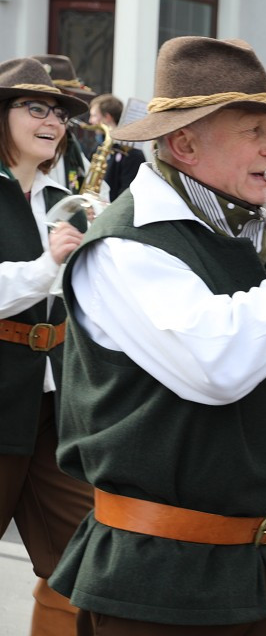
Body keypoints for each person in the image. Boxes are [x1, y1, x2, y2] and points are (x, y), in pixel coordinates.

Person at [49, 36, 266, 634]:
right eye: (255, 132)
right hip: (164, 573)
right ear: (184, 143)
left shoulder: (248, 228)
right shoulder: (124, 248)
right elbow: (220, 368)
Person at [0, 57, 94, 635]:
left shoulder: (66, 197)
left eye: (58, 112)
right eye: (35, 108)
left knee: (85, 559)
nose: (53, 120)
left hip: (55, 399)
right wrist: (47, 264)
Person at [33, 55, 96, 194]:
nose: (54, 121)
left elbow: (97, 188)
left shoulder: (69, 143)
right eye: (38, 109)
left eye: (63, 107)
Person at [88, 93, 146, 198]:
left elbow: (128, 196)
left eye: (94, 115)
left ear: (107, 117)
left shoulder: (132, 153)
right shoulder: (98, 147)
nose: (90, 121)